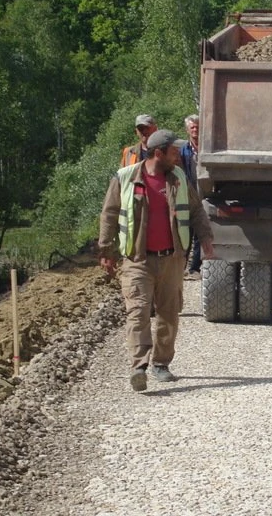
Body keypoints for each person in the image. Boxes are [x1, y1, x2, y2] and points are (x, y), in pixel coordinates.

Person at [99, 129, 215, 392]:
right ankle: (138, 366)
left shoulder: (178, 178)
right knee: (138, 312)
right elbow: (109, 214)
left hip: (172, 258)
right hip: (137, 259)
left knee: (169, 315)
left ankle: (161, 364)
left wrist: (206, 237)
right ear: (158, 153)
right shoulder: (126, 178)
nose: (178, 155)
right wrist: (106, 251)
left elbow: (196, 210)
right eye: (174, 151)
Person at [180, 115, 202, 279]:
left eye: (197, 127)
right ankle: (181, 267)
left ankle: (195, 268)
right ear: (188, 130)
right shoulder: (184, 150)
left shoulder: (207, 149)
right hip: (189, 193)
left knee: (200, 233)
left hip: (205, 193)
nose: (195, 130)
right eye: (192, 127)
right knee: (185, 231)